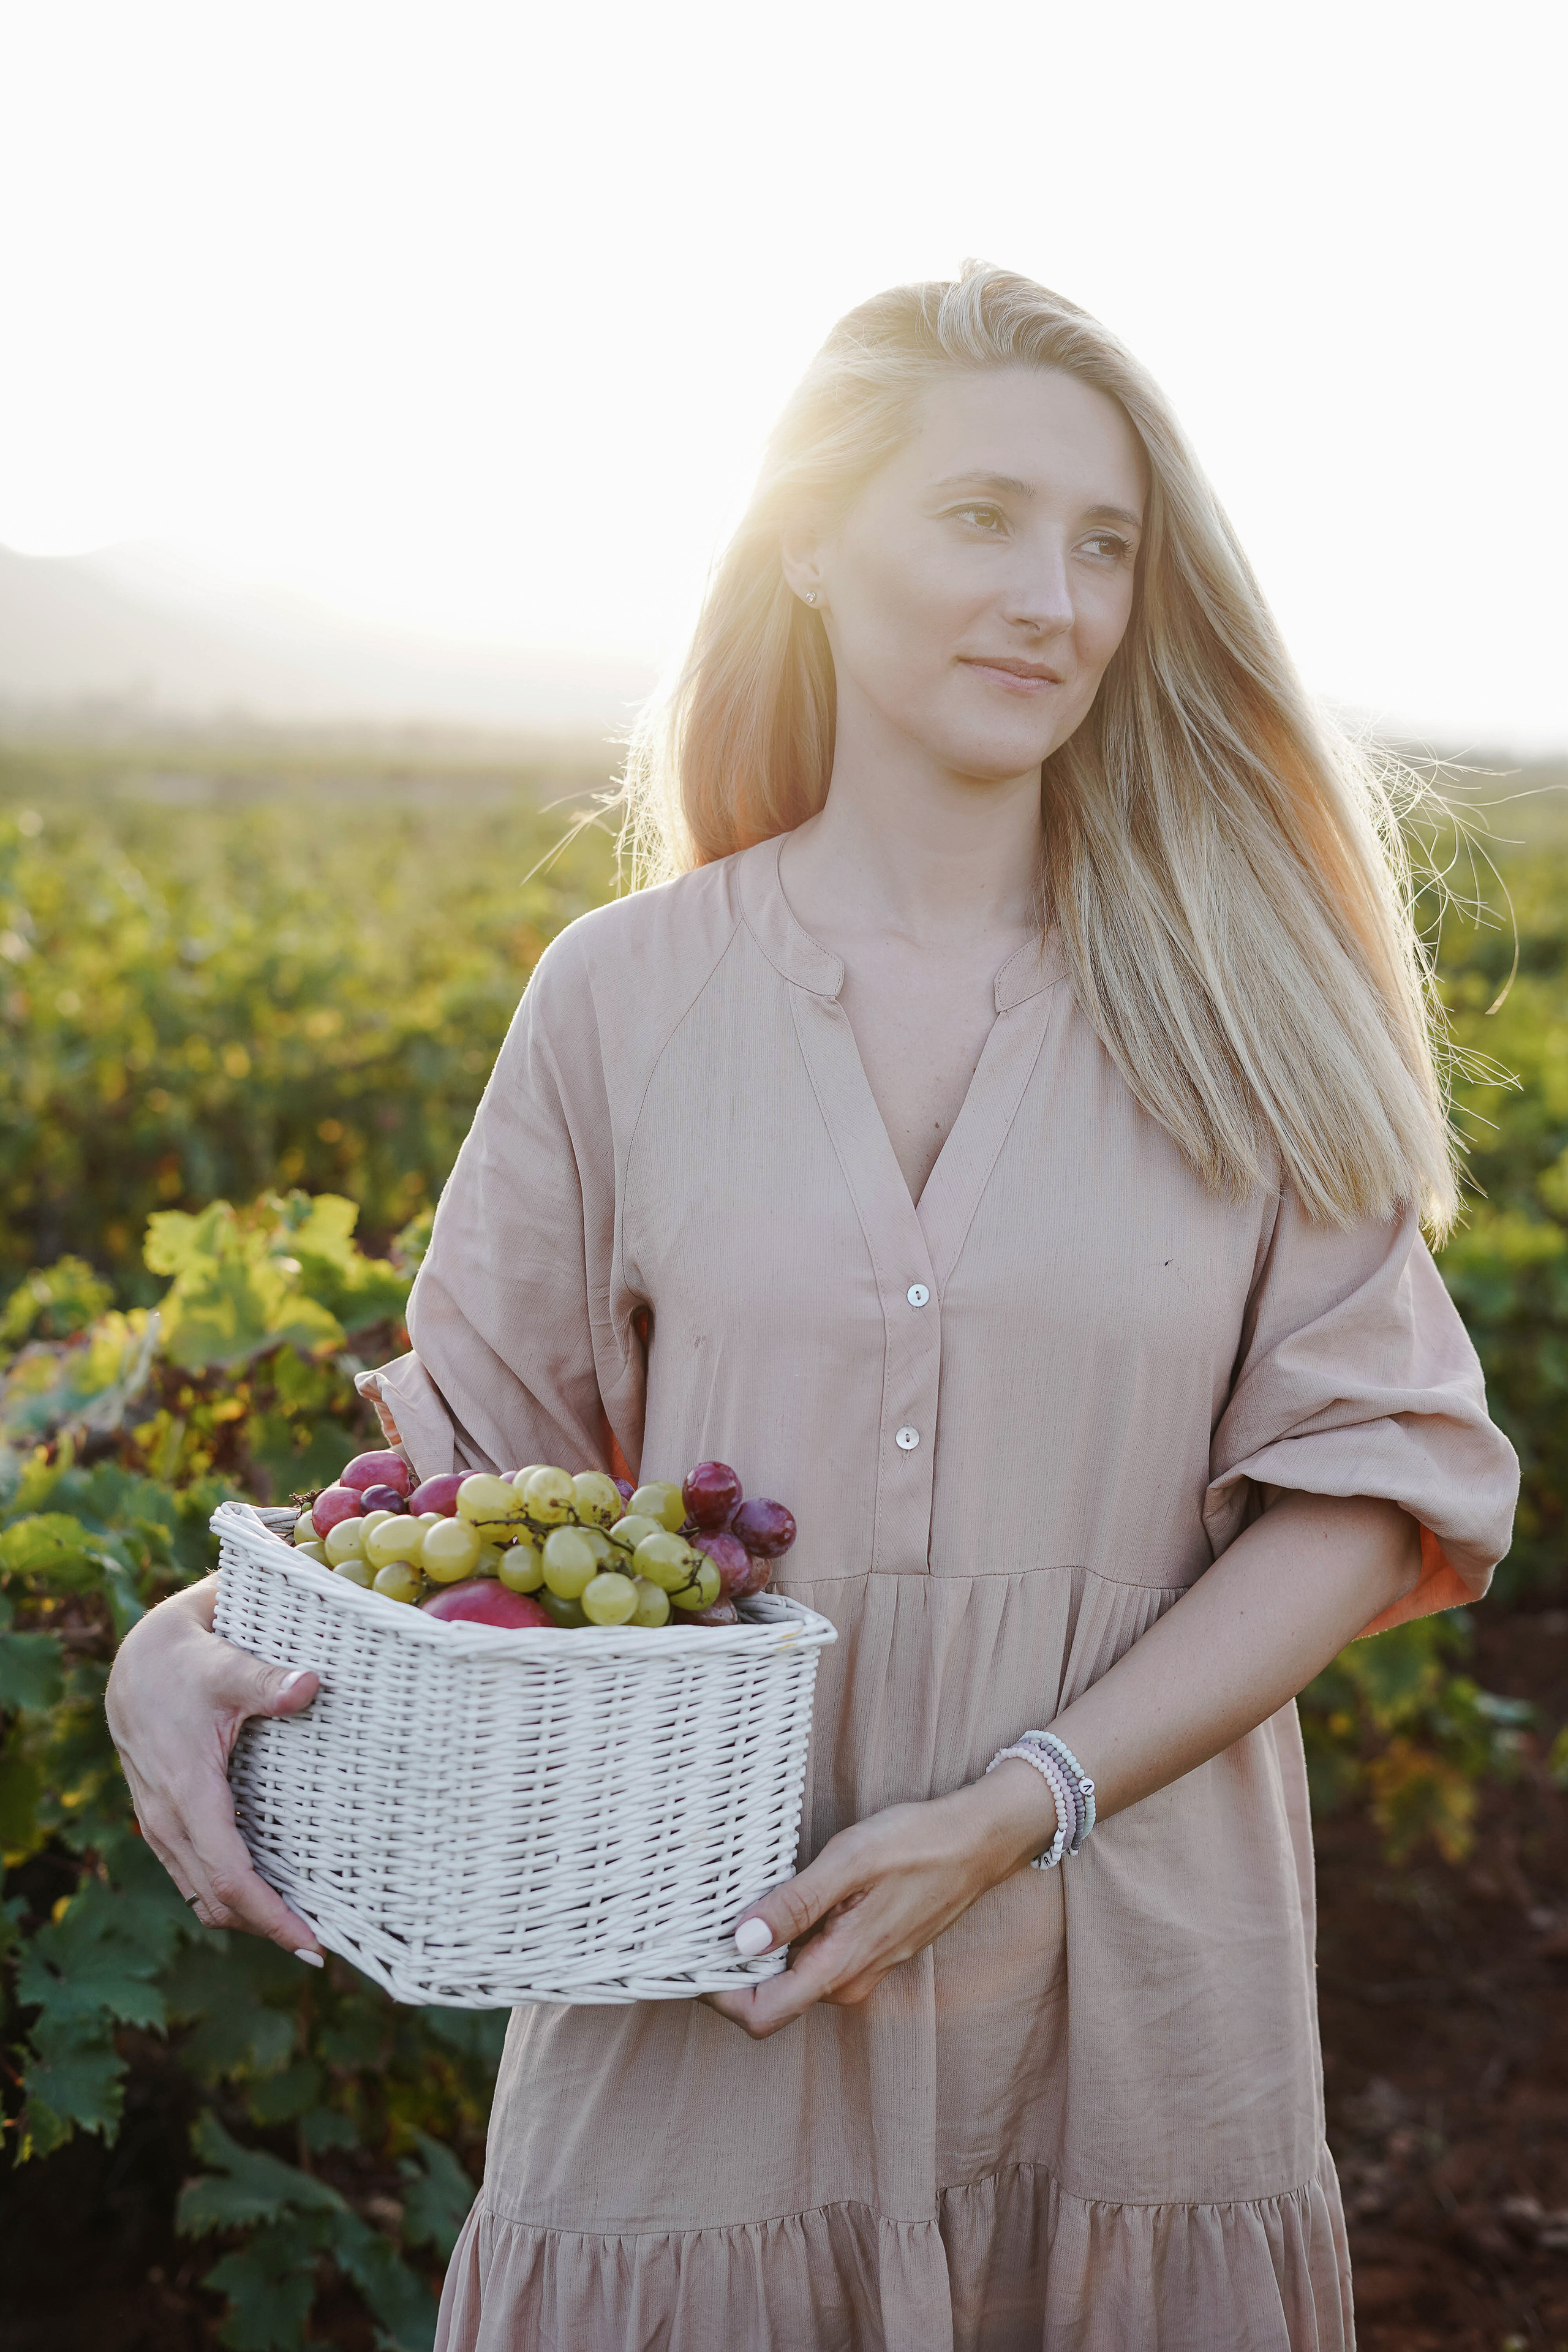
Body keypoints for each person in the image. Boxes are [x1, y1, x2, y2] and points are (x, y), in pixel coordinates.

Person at [107, 263, 1519, 2352]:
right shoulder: (624, 998)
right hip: (703, 1953)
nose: (1055, 594)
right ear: (806, 538)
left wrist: (1017, 1801)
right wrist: (187, 1633)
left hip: (1131, 1979)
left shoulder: (1246, 1003)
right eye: (980, 518)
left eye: (1106, 543)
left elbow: (1366, 1493)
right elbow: (456, 1502)